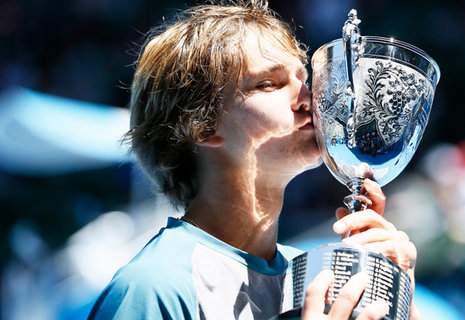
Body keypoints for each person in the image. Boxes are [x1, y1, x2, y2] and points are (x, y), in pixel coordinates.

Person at [88, 0, 419, 319]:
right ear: (201, 126)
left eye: (305, 81)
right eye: (269, 83)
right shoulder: (153, 288)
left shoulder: (310, 278)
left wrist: (400, 296)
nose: (309, 99)